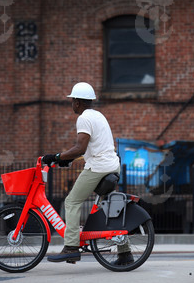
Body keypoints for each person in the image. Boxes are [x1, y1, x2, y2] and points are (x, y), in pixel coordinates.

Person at [42, 82, 133, 265]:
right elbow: (91, 148)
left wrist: (57, 157)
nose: (72, 104)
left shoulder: (84, 118)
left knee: (72, 201)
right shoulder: (98, 115)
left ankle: (71, 247)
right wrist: (67, 159)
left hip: (98, 167)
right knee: (108, 209)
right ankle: (125, 254)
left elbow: (80, 147)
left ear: (77, 102)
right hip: (112, 165)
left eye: (72, 100)